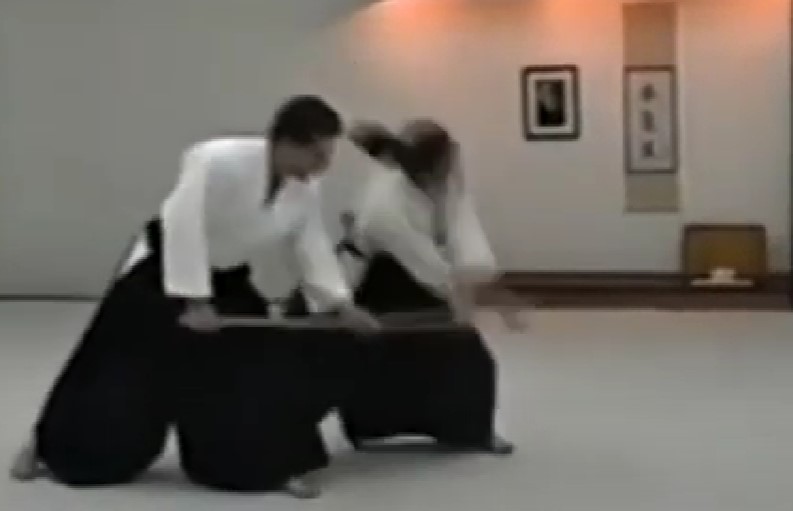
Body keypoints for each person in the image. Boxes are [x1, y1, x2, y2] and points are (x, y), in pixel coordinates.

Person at [11, 95, 378, 498]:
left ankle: (273, 465)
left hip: (228, 280)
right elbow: (181, 220)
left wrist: (340, 304)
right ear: (287, 141)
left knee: (259, 369)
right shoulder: (217, 159)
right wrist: (195, 299)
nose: (323, 166)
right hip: (164, 272)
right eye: (318, 154)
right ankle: (46, 447)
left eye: (328, 155)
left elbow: (310, 243)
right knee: (116, 374)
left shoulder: (304, 188)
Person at [331, 120, 516, 454]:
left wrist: (482, 283)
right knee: (382, 354)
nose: (455, 169)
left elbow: (465, 235)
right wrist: (457, 298)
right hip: (379, 279)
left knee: (465, 352)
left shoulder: (445, 183)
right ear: (428, 170)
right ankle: (369, 426)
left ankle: (474, 430)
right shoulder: (384, 207)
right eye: (449, 163)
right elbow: (425, 263)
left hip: (424, 272)